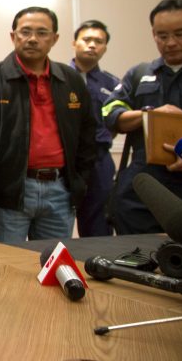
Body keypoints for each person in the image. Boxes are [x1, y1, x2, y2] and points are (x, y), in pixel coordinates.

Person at [0, 7, 96, 243]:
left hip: (60, 192)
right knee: (4, 270)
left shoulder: (71, 80)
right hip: (7, 195)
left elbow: (87, 134)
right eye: (25, 32)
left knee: (54, 271)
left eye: (42, 33)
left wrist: (79, 181)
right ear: (13, 37)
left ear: (55, 39)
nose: (33, 39)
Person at [102, 0, 182, 234]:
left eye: (180, 34)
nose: (170, 43)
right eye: (162, 36)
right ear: (153, 34)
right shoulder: (140, 74)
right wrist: (150, 115)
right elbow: (110, 113)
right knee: (137, 255)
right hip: (142, 188)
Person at [69, 20, 119, 237]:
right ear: (74, 43)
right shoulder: (58, 76)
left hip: (99, 160)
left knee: (99, 224)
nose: (92, 45)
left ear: (105, 48)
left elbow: (117, 122)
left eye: (98, 41)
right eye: (86, 39)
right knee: (55, 219)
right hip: (65, 158)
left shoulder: (113, 84)